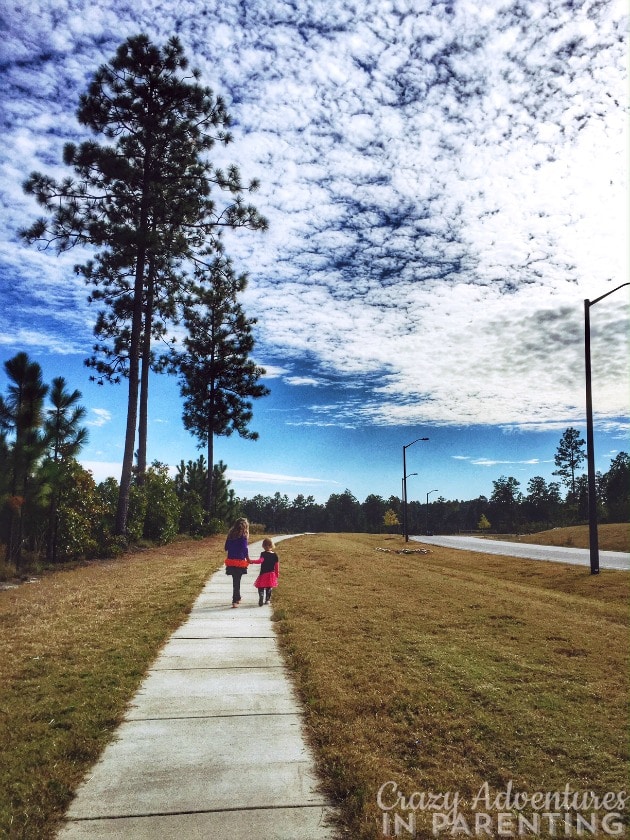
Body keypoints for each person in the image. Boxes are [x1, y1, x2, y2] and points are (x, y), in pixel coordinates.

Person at [224, 518, 250, 607]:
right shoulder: (243, 536)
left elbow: (226, 547)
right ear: (245, 527)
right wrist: (248, 559)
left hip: (231, 561)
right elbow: (244, 549)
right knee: (237, 580)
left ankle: (237, 597)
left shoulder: (230, 536)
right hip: (239, 561)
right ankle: (235, 600)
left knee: (236, 580)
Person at [250, 537, 279, 606]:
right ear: (272, 545)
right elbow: (276, 566)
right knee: (269, 587)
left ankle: (261, 595)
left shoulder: (263, 554)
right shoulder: (275, 555)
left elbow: (260, 561)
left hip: (263, 573)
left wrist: (252, 561)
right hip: (271, 574)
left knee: (260, 586)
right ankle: (267, 600)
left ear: (263, 546)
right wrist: (276, 575)